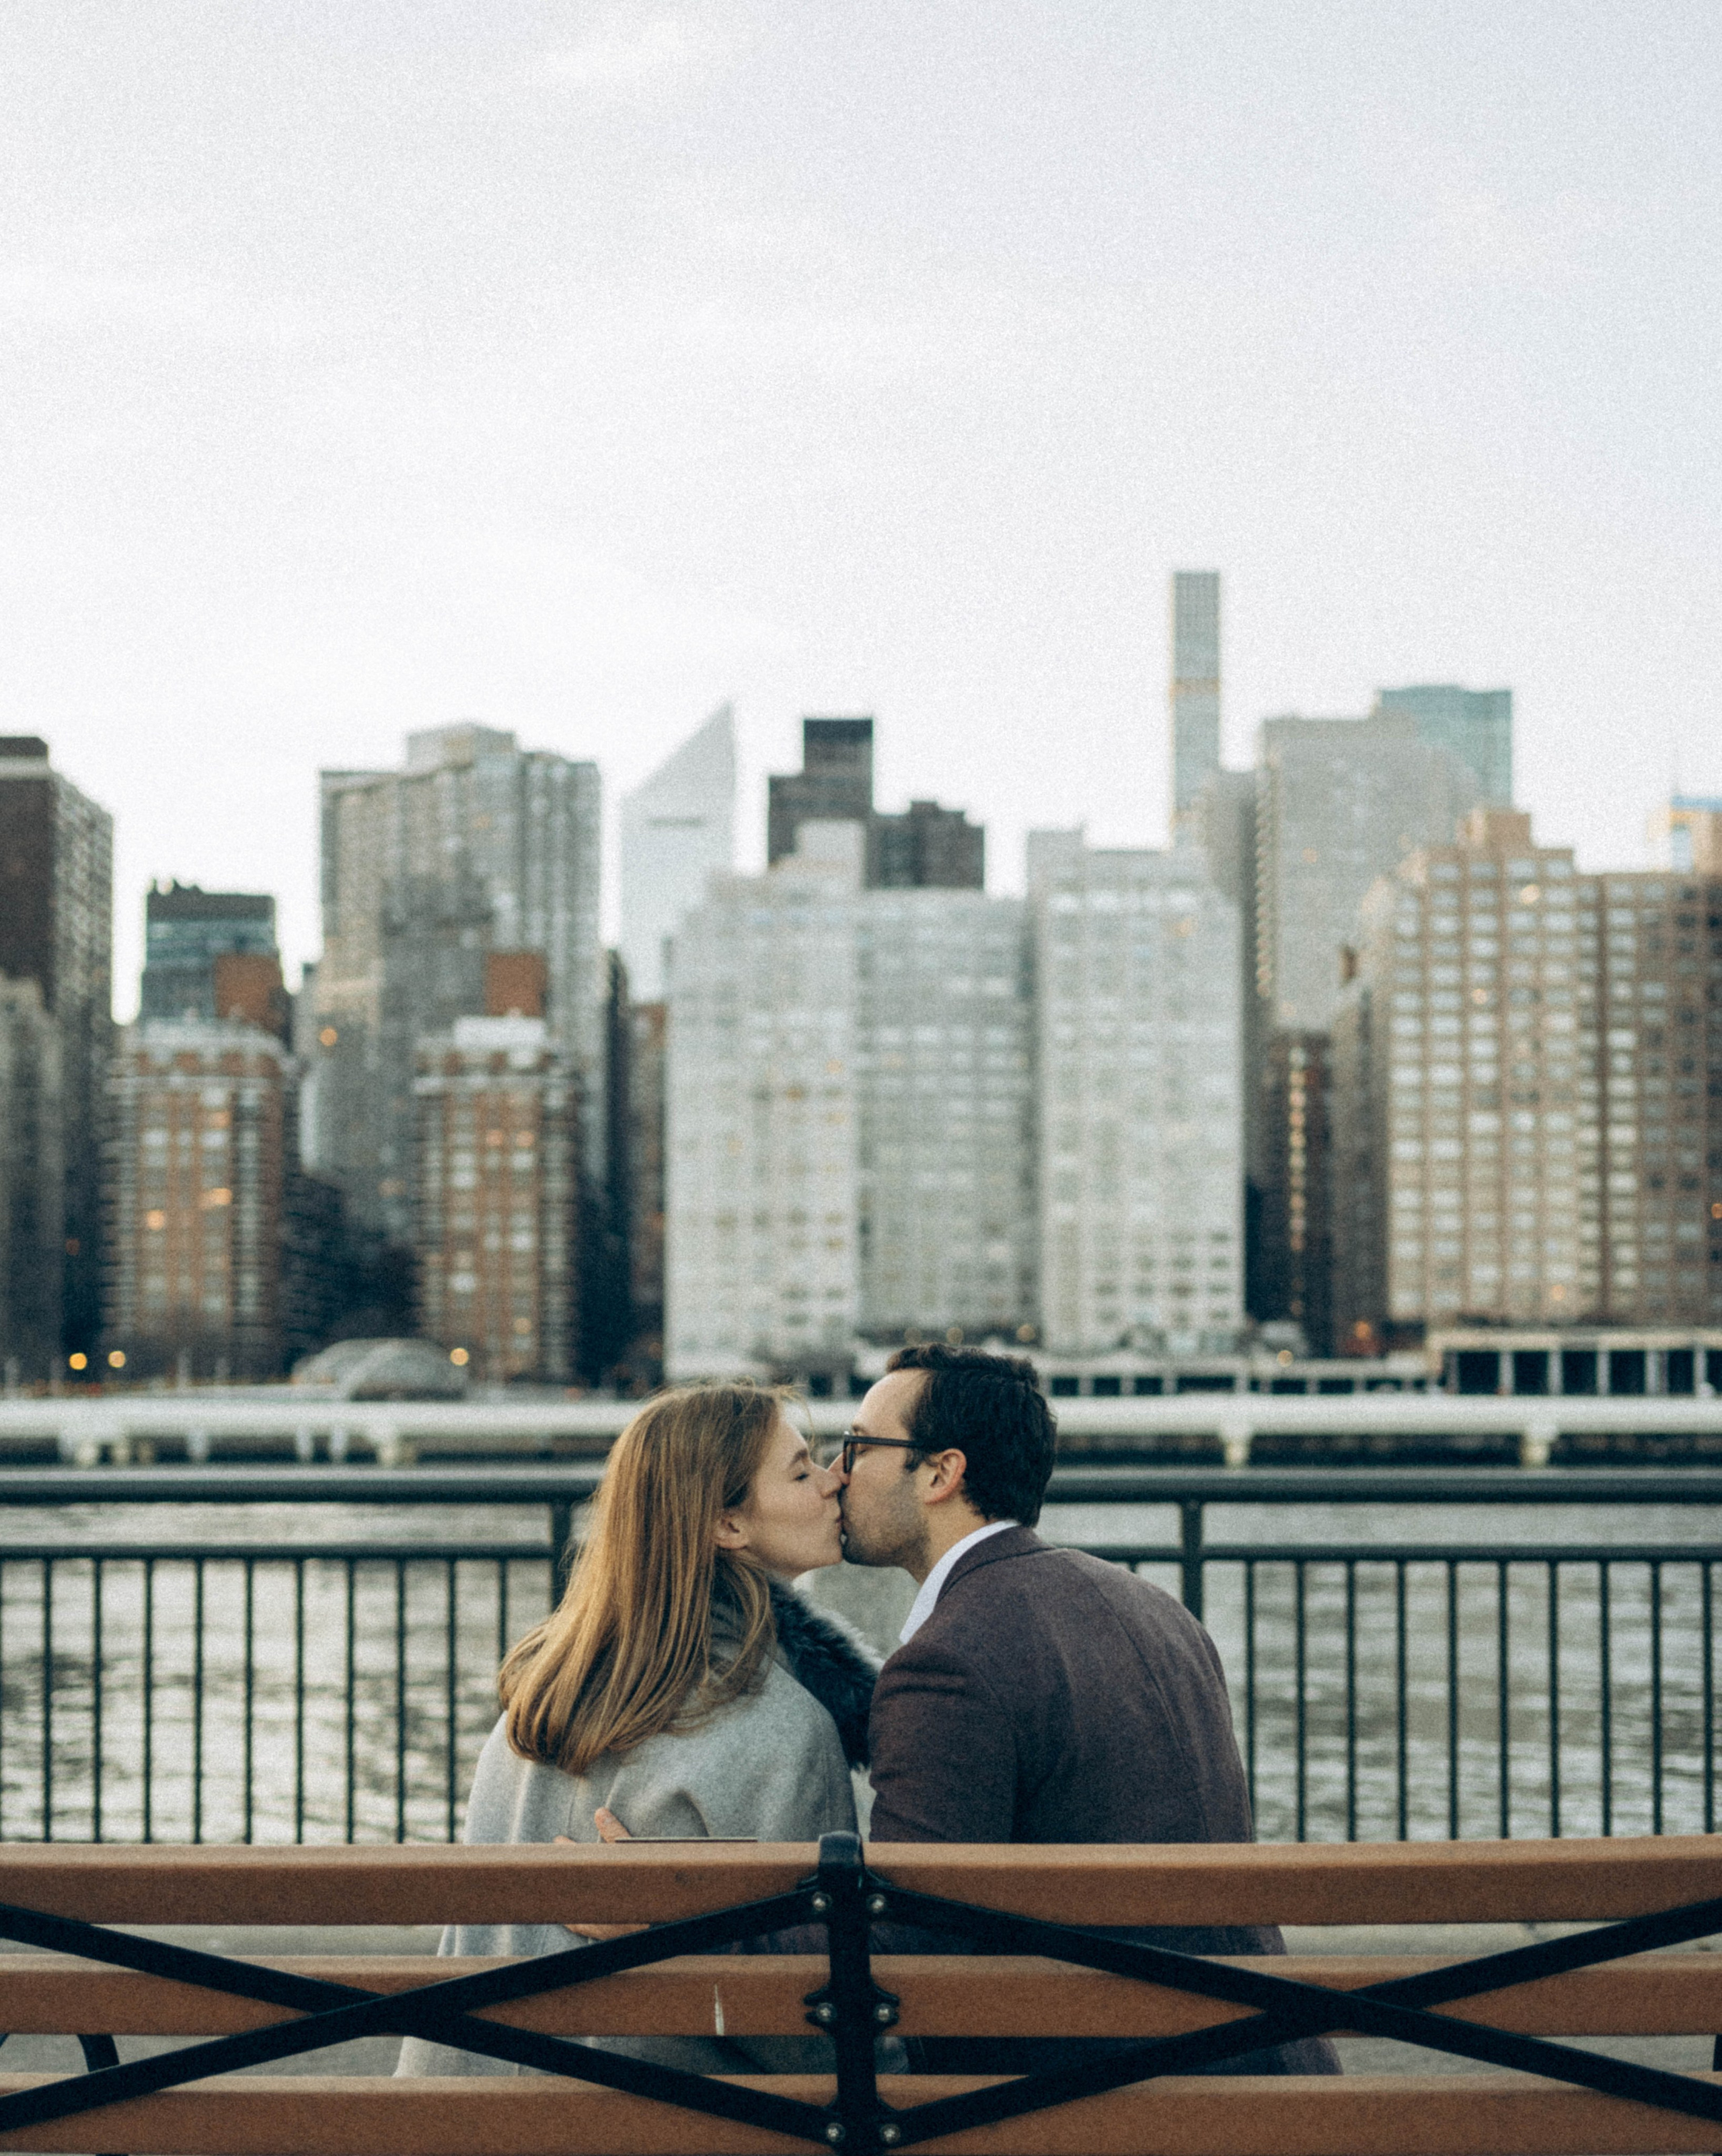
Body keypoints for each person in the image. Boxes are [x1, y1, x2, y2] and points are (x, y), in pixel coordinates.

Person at [837, 1340, 1339, 2078]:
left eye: (857, 1446)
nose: (836, 1473)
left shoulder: (947, 1660)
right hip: (1269, 2062)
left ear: (941, 1472)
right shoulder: (1155, 1606)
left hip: (1111, 2096)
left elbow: (906, 1938)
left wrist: (683, 1923)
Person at [396, 1381, 879, 2078]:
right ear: (728, 1525)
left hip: (458, 2111)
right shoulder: (781, 1728)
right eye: (802, 1470)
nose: (835, 1480)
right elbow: (807, 2034)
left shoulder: (538, 1699)